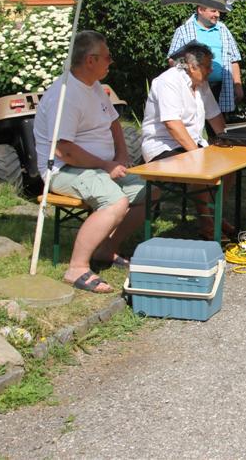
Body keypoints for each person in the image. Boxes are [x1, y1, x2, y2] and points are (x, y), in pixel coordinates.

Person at [34, 31, 147, 294]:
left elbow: (114, 123)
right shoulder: (66, 96)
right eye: (107, 57)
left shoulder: (93, 85)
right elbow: (64, 151)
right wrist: (107, 166)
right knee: (115, 201)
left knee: (148, 191)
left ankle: (107, 249)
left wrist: (121, 156)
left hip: (97, 166)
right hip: (64, 170)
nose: (111, 62)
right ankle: (77, 268)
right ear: (90, 60)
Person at [141, 42, 231, 240]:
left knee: (229, 166)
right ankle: (208, 224)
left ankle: (215, 216)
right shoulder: (168, 81)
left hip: (190, 144)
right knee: (203, 168)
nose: (210, 71)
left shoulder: (200, 83)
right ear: (192, 66)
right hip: (162, 146)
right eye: (207, 66)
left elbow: (215, 117)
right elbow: (172, 124)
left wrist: (229, 142)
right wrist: (198, 154)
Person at [167, 5, 243, 116]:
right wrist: (188, 72)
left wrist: (238, 85)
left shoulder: (223, 30)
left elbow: (234, 60)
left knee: (218, 125)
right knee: (194, 122)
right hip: (194, 87)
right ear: (201, 10)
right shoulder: (183, 30)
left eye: (218, 11)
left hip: (220, 87)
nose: (217, 14)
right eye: (213, 10)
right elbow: (172, 60)